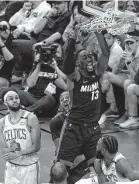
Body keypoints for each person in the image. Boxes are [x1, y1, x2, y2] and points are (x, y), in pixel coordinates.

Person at [55, 26, 109, 184]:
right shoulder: (75, 76)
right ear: (78, 63)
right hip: (74, 127)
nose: (90, 58)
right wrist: (72, 39)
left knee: (101, 165)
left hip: (92, 128)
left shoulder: (97, 73)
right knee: (59, 169)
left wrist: (98, 31)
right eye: (85, 57)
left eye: (91, 56)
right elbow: (66, 66)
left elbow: (105, 53)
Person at [0, 89, 41, 184]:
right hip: (11, 167)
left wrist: (18, 153)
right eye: (11, 98)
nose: (15, 100)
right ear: (5, 102)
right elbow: (4, 149)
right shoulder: (2, 123)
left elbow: (36, 146)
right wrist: (13, 148)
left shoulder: (30, 118)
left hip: (30, 166)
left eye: (17, 98)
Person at [0, 20, 17, 96]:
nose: (5, 30)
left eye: (7, 28)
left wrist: (1, 43)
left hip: (2, 79)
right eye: (2, 28)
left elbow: (10, 60)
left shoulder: (13, 44)